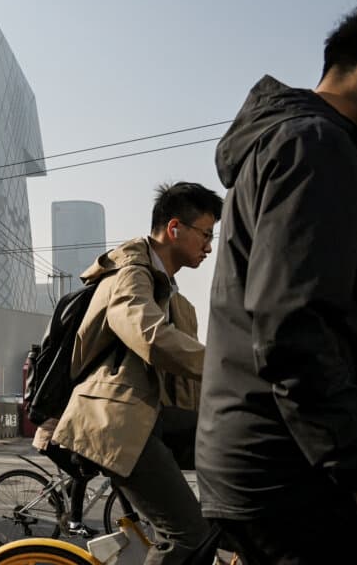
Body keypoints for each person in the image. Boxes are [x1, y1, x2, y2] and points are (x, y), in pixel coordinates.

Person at [196, 0, 357, 564]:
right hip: (299, 480)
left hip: (275, 469)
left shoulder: (293, 143)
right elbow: (293, 326)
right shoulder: (317, 147)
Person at [52, 181, 222, 565]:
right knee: (189, 535)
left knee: (238, 441)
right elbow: (149, 336)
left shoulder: (171, 293)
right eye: (205, 235)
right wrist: (225, 370)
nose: (209, 247)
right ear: (175, 228)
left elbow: (182, 380)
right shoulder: (131, 273)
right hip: (117, 421)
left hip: (145, 416)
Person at [33, 417, 96, 537]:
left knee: (89, 471)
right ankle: (75, 523)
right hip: (50, 440)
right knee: (80, 475)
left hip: (61, 440)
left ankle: (57, 498)